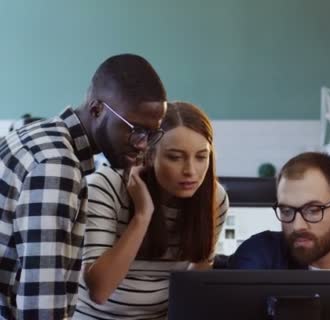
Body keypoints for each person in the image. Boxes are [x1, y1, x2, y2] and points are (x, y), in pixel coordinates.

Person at [0, 54, 167, 319]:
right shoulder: (57, 164)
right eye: (135, 129)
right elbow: (42, 305)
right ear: (97, 109)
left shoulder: (40, 137)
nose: (142, 144)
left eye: (151, 133)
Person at [75, 102, 229, 319]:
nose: (191, 171)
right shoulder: (105, 186)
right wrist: (142, 215)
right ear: (147, 155)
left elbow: (196, 281)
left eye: (201, 157)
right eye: (175, 157)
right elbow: (99, 291)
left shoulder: (215, 198)